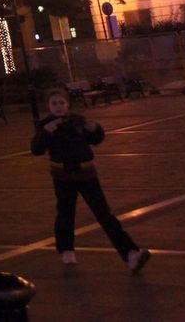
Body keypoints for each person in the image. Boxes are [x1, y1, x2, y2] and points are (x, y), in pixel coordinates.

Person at [30, 88, 150, 272]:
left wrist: (95, 129)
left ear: (67, 104)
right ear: (48, 106)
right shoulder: (45, 124)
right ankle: (66, 249)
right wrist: (46, 133)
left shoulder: (77, 120)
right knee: (65, 214)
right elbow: (36, 149)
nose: (58, 106)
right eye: (54, 103)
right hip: (63, 176)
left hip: (86, 174)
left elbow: (95, 139)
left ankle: (130, 253)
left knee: (104, 214)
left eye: (61, 102)